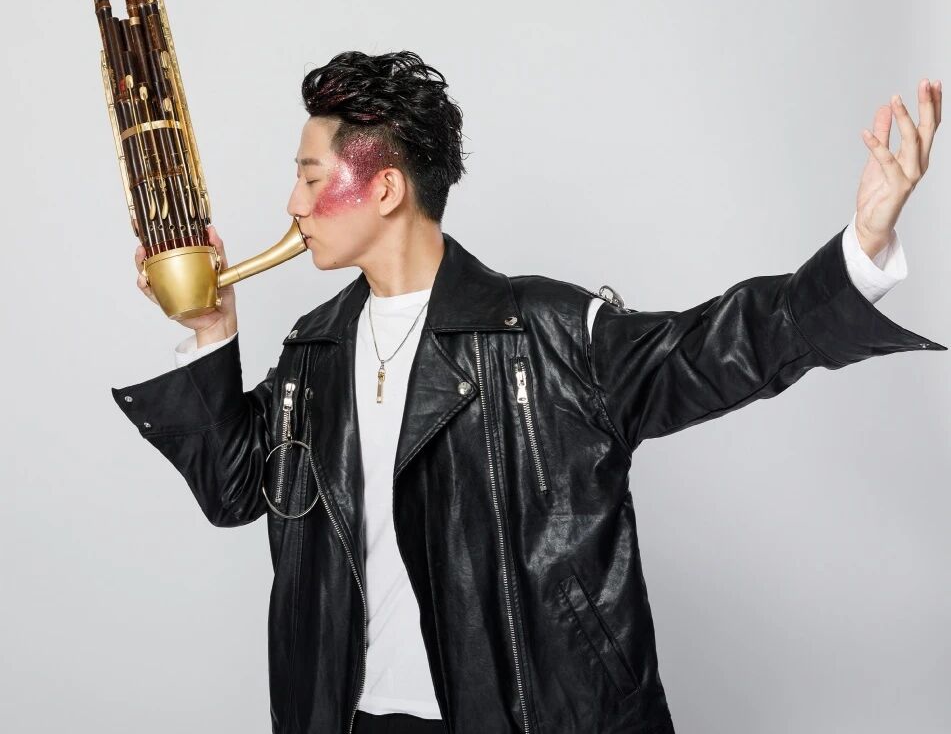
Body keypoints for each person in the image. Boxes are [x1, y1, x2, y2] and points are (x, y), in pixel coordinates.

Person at [112, 51, 944, 734]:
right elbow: (233, 489)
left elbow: (716, 348)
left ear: (385, 189)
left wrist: (859, 251)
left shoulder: (547, 333)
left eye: (308, 176)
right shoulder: (315, 349)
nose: (291, 204)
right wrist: (212, 328)